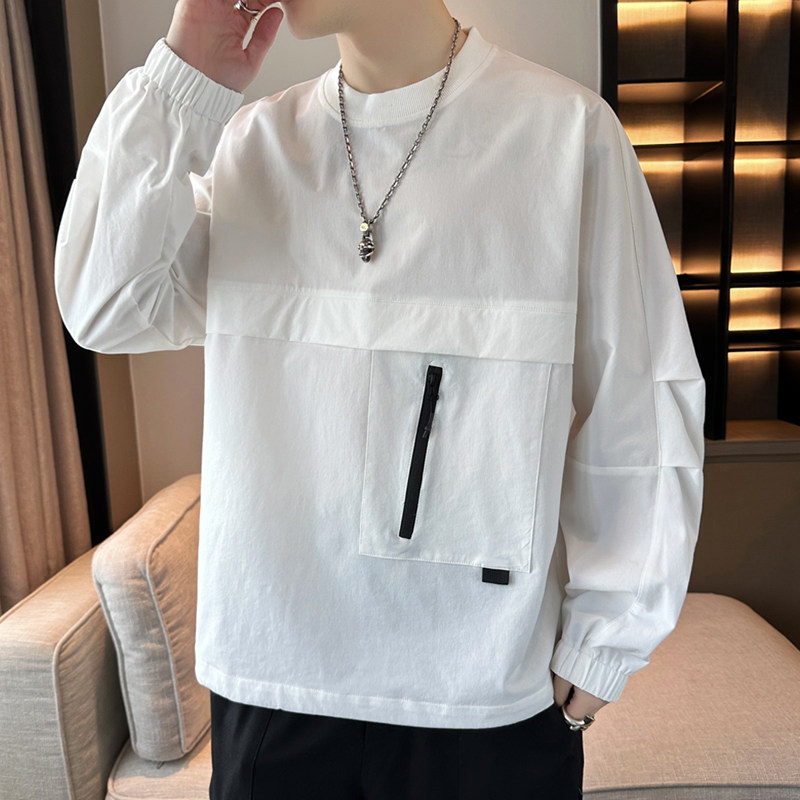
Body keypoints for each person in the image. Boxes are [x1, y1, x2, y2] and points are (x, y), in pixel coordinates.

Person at [54, 0, 706, 797]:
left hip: (483, 692)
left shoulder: (565, 135)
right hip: (274, 684)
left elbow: (640, 398)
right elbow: (105, 303)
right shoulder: (254, 147)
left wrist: (610, 635)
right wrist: (185, 76)